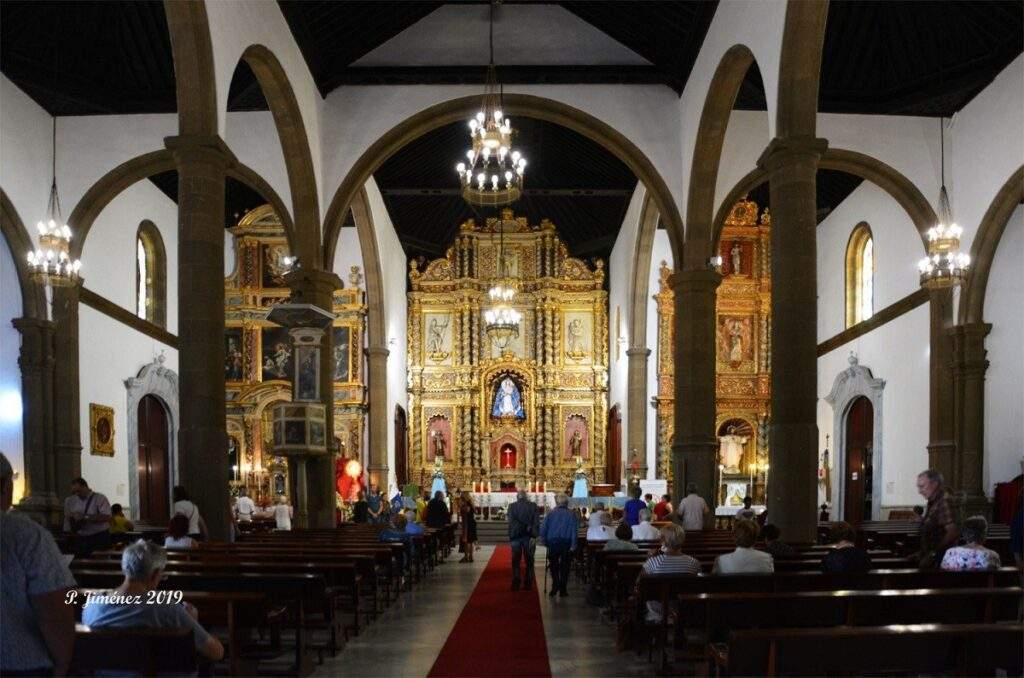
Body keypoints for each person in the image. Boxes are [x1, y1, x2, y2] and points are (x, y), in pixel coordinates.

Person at [82, 540, 224, 667]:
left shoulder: (92, 604)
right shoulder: (167, 608)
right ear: (155, 574)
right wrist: (192, 623)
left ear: (125, 569)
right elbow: (216, 652)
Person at [1, 452, 76, 677]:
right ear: (6, 486)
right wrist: (62, 665)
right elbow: (53, 611)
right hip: (18, 665)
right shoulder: (26, 535)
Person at [639, 524, 701, 621]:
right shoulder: (694, 563)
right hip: (683, 606)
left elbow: (640, 583)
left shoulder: (654, 562)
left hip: (659, 608)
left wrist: (649, 559)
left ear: (663, 541)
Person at [915, 469, 958, 568]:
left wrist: (933, 554)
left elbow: (952, 532)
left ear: (934, 484)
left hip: (941, 559)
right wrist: (922, 553)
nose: (919, 491)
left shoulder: (944, 500)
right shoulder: (933, 501)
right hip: (933, 556)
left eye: (922, 487)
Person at [540, 493, 578, 597]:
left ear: (557, 502)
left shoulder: (550, 513)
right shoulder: (572, 514)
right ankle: (563, 589)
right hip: (566, 543)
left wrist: (543, 540)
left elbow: (543, 528)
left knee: (554, 565)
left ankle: (555, 586)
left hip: (553, 542)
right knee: (565, 566)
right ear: (567, 503)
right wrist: (573, 545)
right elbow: (574, 531)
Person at [64, 477, 112, 557]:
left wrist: (85, 517)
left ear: (85, 487)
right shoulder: (70, 500)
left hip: (99, 536)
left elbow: (107, 517)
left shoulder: (99, 498)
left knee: (100, 564)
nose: (77, 494)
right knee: (81, 564)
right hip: (80, 537)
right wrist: (71, 518)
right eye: (74, 492)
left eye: (78, 491)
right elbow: (67, 518)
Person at [507, 489, 539, 591]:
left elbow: (511, 522)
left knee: (516, 559)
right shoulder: (533, 506)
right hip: (529, 536)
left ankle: (516, 580)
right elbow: (536, 522)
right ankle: (528, 581)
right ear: (526, 497)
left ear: (517, 497)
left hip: (515, 536)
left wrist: (520, 528)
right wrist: (534, 535)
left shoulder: (512, 506)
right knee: (529, 559)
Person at [458, 491, 478, 563]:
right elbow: (475, 512)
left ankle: (467, 557)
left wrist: (461, 507)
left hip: (467, 524)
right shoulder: (471, 503)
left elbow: (466, 511)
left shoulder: (467, 504)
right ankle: (471, 557)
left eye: (461, 497)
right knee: (471, 541)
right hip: (471, 523)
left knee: (467, 541)